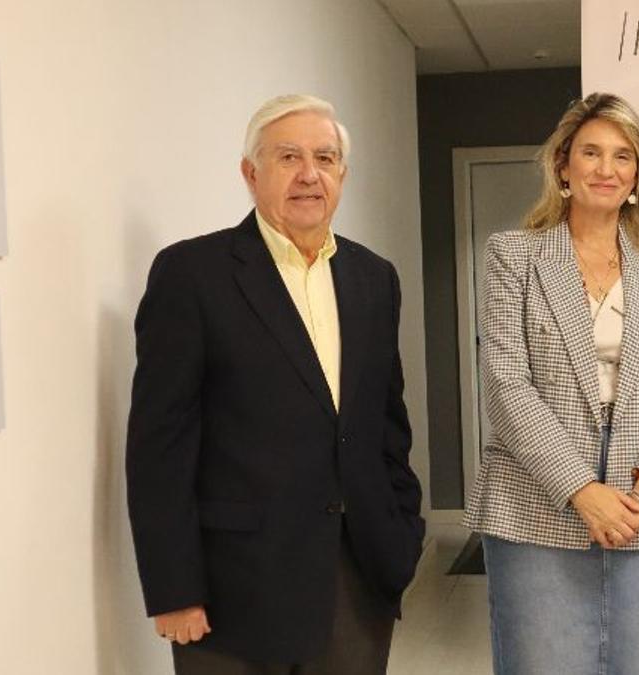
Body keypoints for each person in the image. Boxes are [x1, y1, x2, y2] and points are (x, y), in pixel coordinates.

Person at [126, 94, 424, 675]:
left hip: (357, 575)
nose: (310, 174)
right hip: (233, 589)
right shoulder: (192, 274)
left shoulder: (373, 278)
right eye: (288, 157)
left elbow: (388, 425)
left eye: (325, 158)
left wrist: (402, 534)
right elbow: (159, 444)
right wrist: (173, 588)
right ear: (250, 173)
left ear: (342, 174)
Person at [463, 92, 639, 674]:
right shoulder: (513, 254)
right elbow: (506, 386)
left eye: (623, 157)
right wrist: (581, 489)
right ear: (563, 166)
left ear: (638, 175)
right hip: (537, 498)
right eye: (590, 153)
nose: (606, 168)